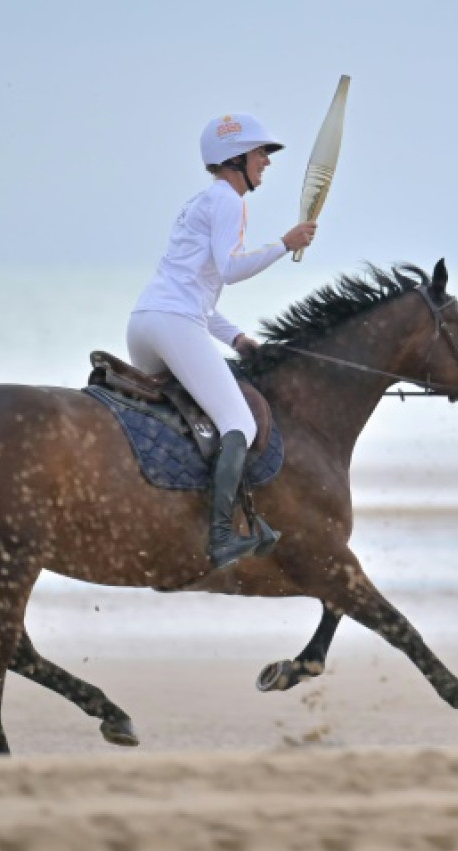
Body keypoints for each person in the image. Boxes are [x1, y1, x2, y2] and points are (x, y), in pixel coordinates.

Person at [127, 113, 316, 570]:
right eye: (260, 154)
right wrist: (283, 244)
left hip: (145, 323)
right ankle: (220, 535)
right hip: (174, 323)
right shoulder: (229, 202)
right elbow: (230, 270)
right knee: (239, 424)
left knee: (199, 417)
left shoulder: (200, 202)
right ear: (234, 159)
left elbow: (199, 292)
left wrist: (238, 339)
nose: (266, 164)